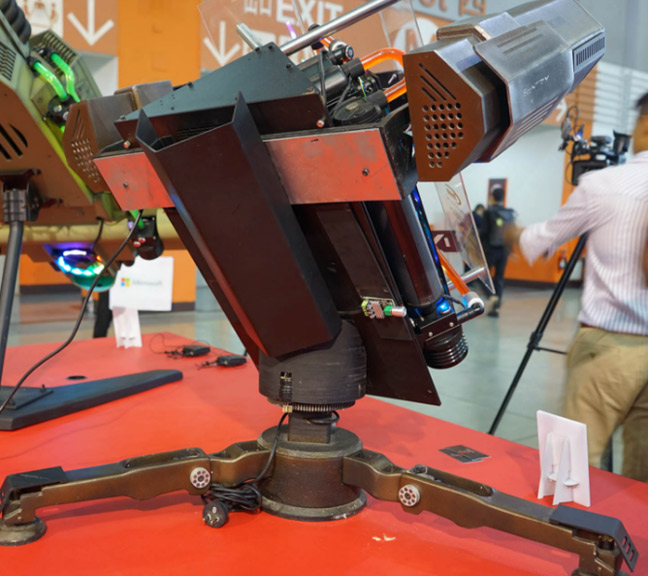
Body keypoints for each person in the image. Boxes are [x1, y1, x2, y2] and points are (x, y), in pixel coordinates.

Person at [507, 91, 648, 481]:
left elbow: (541, 241)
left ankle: (564, 521)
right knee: (642, 482)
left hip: (607, 351)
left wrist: (513, 233)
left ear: (643, 124)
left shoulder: (604, 184)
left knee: (568, 472)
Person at [479, 187, 516, 317]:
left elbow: (483, 232)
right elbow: (511, 233)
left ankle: (491, 296)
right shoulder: (509, 213)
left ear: (492, 197)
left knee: (483, 276)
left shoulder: (489, 212)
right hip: (504, 251)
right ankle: (496, 308)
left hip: (490, 250)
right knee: (499, 278)